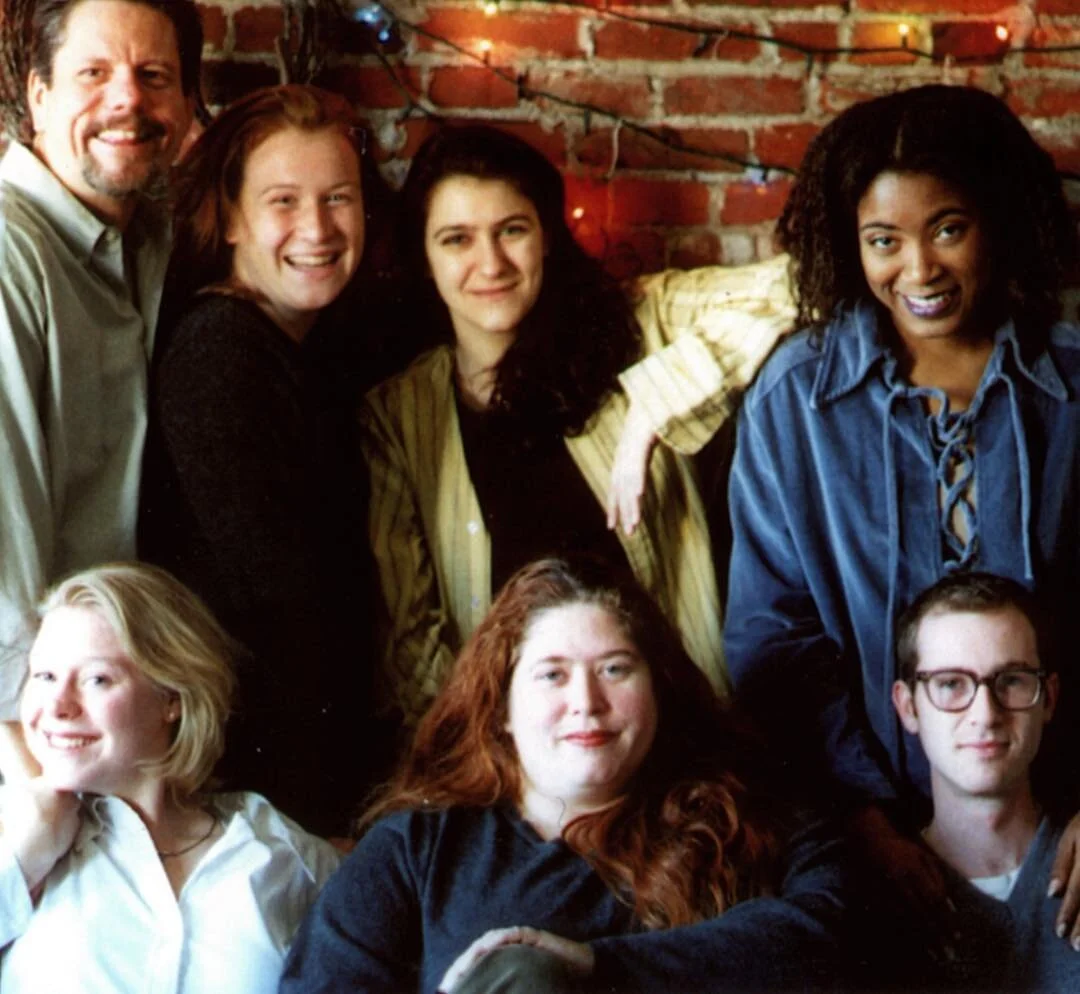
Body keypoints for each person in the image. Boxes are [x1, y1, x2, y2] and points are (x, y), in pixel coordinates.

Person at [722, 83, 1080, 938]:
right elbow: (772, 642)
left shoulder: (1072, 387)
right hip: (861, 835)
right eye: (884, 240)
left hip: (1060, 829)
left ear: (997, 221)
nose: (918, 271)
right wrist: (861, 816)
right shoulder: (796, 401)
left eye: (948, 229)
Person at [362, 123, 795, 725]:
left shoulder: (640, 323)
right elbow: (412, 649)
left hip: (677, 725)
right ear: (425, 259)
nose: (491, 263)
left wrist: (650, 410)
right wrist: (485, 757)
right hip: (513, 747)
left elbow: (800, 283)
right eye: (457, 239)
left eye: (512, 230)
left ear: (546, 238)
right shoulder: (397, 415)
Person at [279, 558, 849, 994]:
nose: (587, 701)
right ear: (501, 709)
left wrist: (598, 964)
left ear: (658, 690)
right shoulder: (418, 848)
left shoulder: (744, 812)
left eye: (615, 669)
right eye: (552, 675)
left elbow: (839, 929)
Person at [138, 84, 386, 835]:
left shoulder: (299, 346)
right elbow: (283, 609)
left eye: (338, 198)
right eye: (283, 201)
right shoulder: (221, 352)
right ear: (232, 220)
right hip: (263, 784)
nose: (317, 228)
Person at [0, 0, 202, 778]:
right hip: (35, 735)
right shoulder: (11, 255)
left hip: (108, 720)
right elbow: (6, 560)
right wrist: (39, 790)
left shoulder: (145, 236)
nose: (128, 100)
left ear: (187, 105)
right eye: (93, 73)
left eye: (155, 76)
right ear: (38, 95)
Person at [0, 563, 341, 992]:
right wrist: (24, 854)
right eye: (45, 676)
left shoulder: (283, 856)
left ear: (171, 698)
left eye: (96, 679)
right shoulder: (13, 837)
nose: (57, 705)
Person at [878, 572, 1080, 990]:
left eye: (1012, 681)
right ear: (908, 706)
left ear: (1049, 698)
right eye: (951, 684)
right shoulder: (867, 893)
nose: (985, 714)